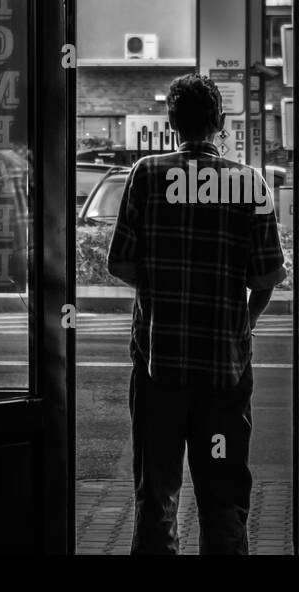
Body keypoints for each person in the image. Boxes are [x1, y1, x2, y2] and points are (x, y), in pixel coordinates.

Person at [107, 73, 286, 555]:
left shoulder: (146, 174)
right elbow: (267, 277)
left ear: (171, 121)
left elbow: (120, 263)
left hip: (158, 365)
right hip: (224, 373)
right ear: (220, 123)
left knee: (156, 494)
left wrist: (162, 290)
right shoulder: (249, 183)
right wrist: (243, 322)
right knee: (223, 494)